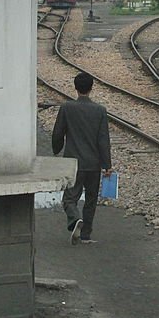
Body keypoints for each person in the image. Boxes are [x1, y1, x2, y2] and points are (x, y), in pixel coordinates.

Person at [52, 71, 112, 244]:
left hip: (73, 163)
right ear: (91, 88)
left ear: (75, 88)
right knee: (91, 200)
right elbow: (103, 140)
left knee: (69, 198)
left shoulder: (67, 108)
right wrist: (107, 164)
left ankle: (74, 218)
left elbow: (58, 133)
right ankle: (86, 235)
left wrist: (56, 149)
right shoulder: (100, 111)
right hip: (93, 164)